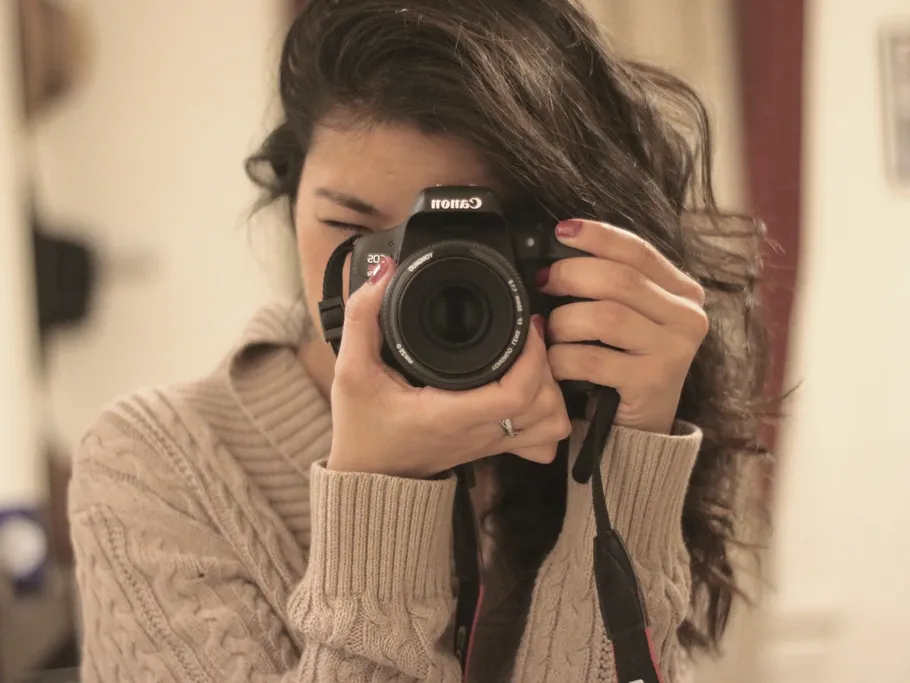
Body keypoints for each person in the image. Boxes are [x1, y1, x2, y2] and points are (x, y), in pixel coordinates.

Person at [68, 0, 770, 681]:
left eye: (467, 244)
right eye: (353, 232)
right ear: (290, 203)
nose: (407, 282)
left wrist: (631, 448)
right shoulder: (154, 466)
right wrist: (379, 489)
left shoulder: (584, 419)